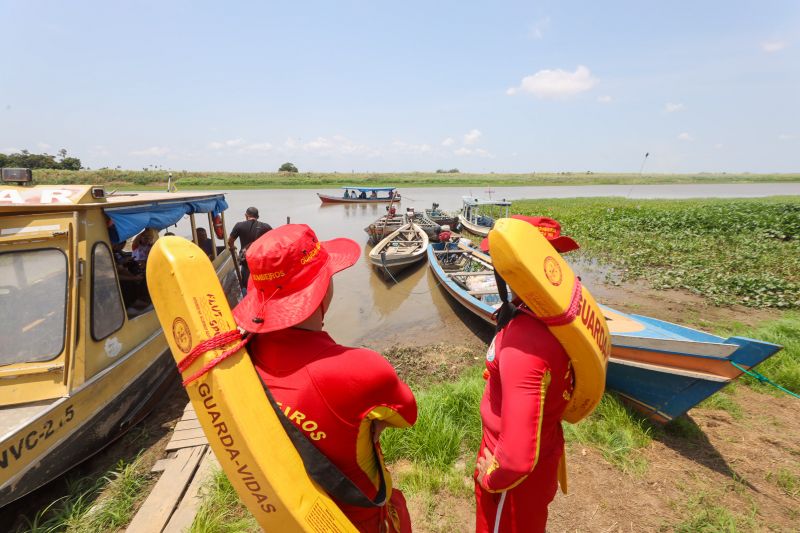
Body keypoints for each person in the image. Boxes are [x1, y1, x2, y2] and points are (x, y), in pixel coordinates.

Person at [233, 224, 417, 533]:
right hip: (359, 520)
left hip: (287, 519)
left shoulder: (241, 353)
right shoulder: (360, 368)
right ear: (322, 287)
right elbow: (405, 414)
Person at [474, 215, 580, 533]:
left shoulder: (525, 341)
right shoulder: (562, 316)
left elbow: (516, 459)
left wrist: (491, 477)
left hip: (511, 475)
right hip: (543, 445)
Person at [228, 206, 273, 292]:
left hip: (246, 260)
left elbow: (230, 241)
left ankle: (246, 299)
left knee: (246, 284)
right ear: (258, 217)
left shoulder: (239, 225)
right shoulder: (266, 226)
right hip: (260, 260)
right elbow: (273, 240)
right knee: (260, 282)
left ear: (246, 215)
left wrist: (233, 248)